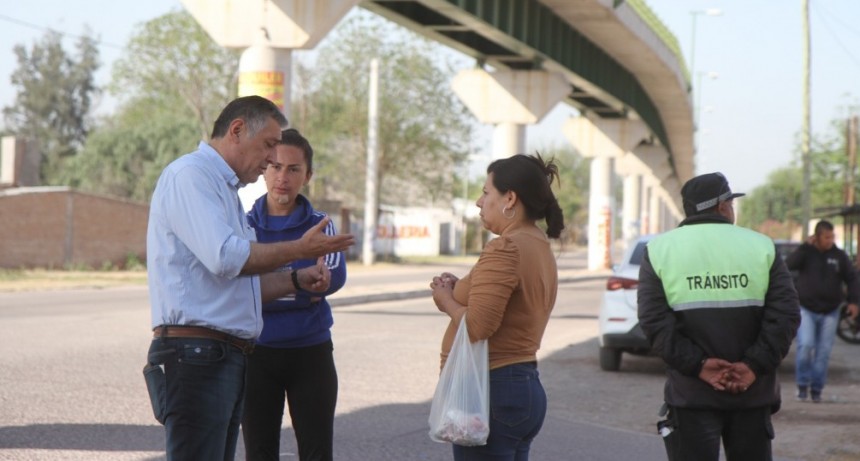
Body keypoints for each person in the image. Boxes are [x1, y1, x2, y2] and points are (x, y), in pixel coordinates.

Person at [145, 95, 354, 461]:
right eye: (269, 146)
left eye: (288, 162)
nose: (273, 161)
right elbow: (227, 257)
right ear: (238, 130)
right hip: (197, 356)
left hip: (223, 356)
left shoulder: (227, 192)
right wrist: (298, 248)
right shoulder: (190, 176)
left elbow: (246, 283)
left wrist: (296, 280)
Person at [637, 172, 800, 461]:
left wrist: (699, 366)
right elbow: (785, 316)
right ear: (723, 206)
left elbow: (654, 321)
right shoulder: (761, 246)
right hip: (752, 392)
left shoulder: (660, 250)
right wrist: (752, 366)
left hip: (691, 394)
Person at [429, 153, 565, 461]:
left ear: (510, 198)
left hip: (492, 390)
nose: (479, 201)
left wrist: (446, 301)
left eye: (486, 192)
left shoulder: (506, 247)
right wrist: (459, 287)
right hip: (520, 388)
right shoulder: (537, 243)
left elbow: (479, 326)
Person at [241, 128, 346, 461]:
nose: (281, 177)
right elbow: (241, 291)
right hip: (255, 354)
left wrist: (268, 287)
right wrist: (299, 286)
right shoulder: (244, 226)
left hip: (310, 355)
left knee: (316, 453)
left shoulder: (321, 226)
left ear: (308, 175)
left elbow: (328, 281)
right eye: (274, 166)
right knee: (259, 452)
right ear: (264, 169)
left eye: (293, 169)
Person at [785, 219, 860, 403]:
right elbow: (788, 264)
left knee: (823, 352)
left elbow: (851, 278)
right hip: (806, 309)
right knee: (806, 346)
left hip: (830, 311)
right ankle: (802, 385)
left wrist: (853, 301)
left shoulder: (839, 256)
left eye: (832, 236)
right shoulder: (807, 253)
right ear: (817, 237)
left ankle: (816, 389)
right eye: (827, 237)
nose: (830, 240)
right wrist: (804, 246)